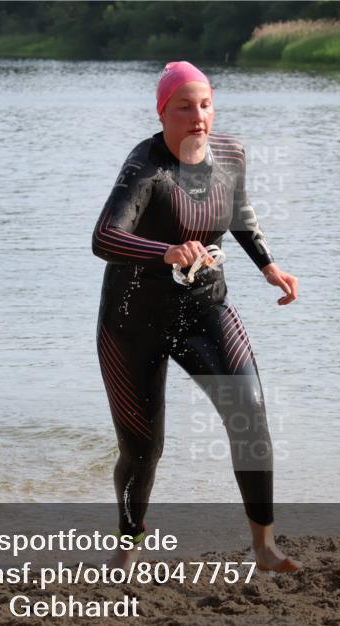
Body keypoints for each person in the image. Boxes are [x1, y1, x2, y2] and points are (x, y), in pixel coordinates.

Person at [92, 61, 301, 571]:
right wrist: (166, 251)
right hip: (131, 319)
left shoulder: (231, 154)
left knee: (249, 414)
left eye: (205, 104)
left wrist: (269, 266)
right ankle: (128, 545)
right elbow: (104, 237)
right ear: (163, 111)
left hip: (204, 307)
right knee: (143, 450)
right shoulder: (146, 166)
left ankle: (264, 545)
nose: (197, 116)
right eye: (184, 106)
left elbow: (242, 216)